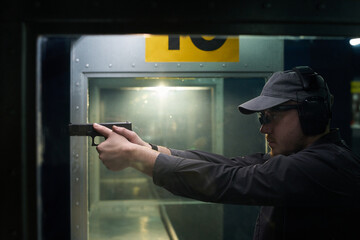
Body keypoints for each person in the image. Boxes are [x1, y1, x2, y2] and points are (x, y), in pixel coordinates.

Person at [93, 66, 360, 240]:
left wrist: (135, 157)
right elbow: (227, 165)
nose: (264, 128)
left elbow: (228, 181)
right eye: (261, 118)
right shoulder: (294, 159)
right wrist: (148, 148)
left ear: (311, 113)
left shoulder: (327, 165)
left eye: (272, 116)